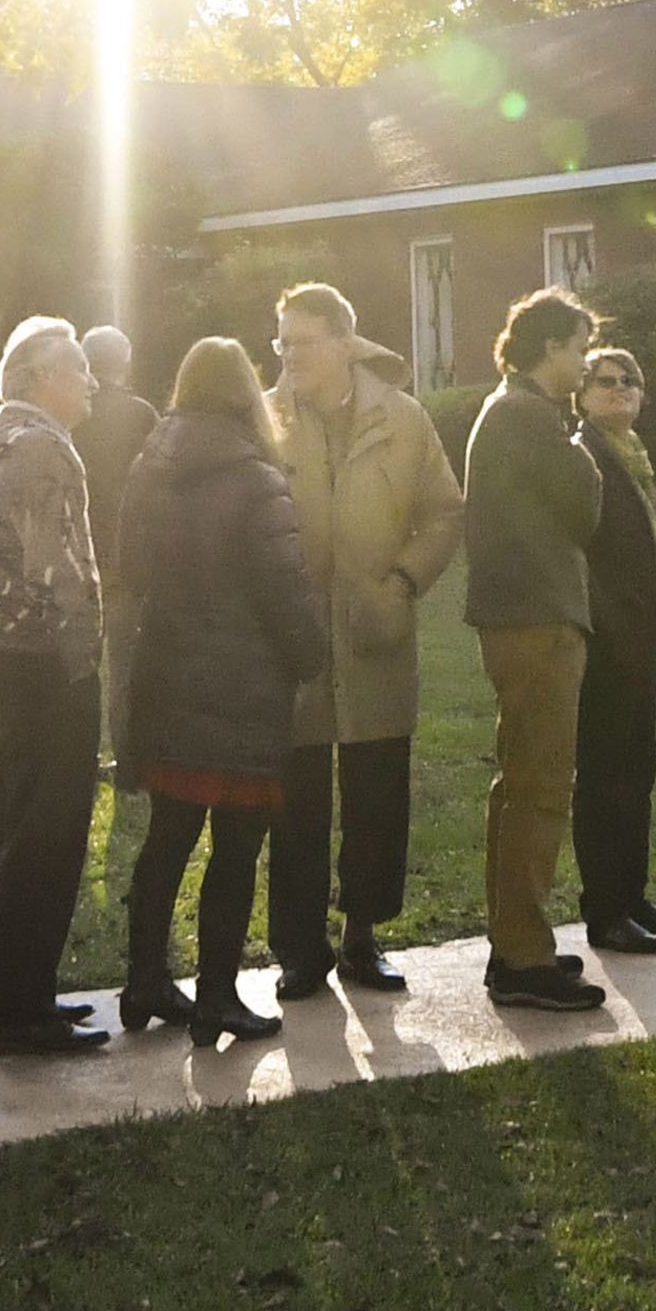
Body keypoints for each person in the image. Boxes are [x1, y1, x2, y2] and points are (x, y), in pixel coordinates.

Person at [108, 339, 320, 1039]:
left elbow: (129, 566)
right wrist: (313, 656)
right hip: (242, 680)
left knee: (167, 836)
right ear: (246, 393)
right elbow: (283, 587)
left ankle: (144, 981)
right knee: (236, 845)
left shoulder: (150, 465)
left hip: (167, 670)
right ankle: (218, 994)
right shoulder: (256, 477)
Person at [268, 284, 464, 1000]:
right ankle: (298, 949)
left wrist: (404, 584)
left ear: (344, 345)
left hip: (377, 637)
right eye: (281, 341)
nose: (289, 354)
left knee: (377, 796)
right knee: (296, 804)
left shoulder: (404, 420)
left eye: (302, 340)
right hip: (294, 645)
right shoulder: (267, 420)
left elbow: (444, 514)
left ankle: (363, 938)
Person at [0, 318, 116, 1054]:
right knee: (46, 834)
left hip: (3, 655)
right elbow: (57, 571)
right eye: (79, 368)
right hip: (45, 660)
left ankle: (18, 998)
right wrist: (90, 652)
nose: (92, 382)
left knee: (14, 829)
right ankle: (23, 1013)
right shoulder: (43, 447)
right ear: (42, 378)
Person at [460, 289, 626, 999]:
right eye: (581, 347)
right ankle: (524, 959)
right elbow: (587, 508)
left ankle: (515, 943)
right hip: (537, 621)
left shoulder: (511, 412)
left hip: (517, 617)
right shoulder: (530, 417)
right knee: (541, 787)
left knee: (519, 784)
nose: (587, 362)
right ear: (551, 347)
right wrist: (588, 449)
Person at [572, 347, 656, 939]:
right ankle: (605, 910)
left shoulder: (635, 458)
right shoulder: (585, 456)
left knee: (638, 768)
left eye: (629, 381)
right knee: (604, 773)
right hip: (605, 642)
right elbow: (585, 552)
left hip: (640, 640)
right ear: (582, 395)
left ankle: (633, 896)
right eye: (604, 381)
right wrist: (612, 625)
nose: (619, 389)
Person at [72, 322, 159, 779]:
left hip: (77, 555)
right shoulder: (142, 415)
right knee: (125, 666)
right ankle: (129, 763)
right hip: (128, 558)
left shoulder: (73, 413)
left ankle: (77, 759)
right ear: (124, 363)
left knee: (78, 666)